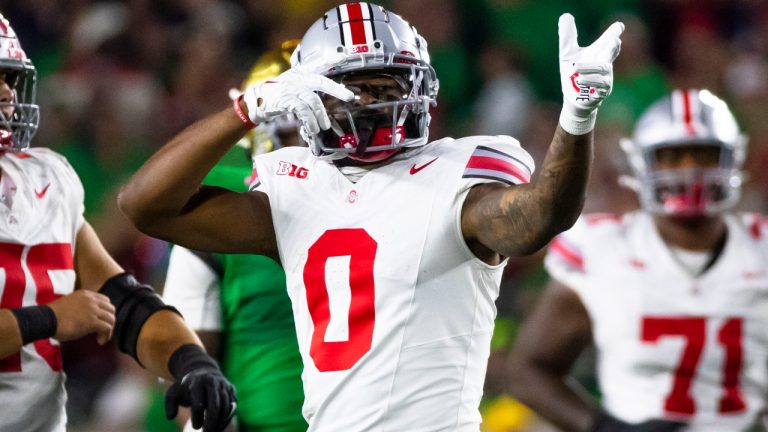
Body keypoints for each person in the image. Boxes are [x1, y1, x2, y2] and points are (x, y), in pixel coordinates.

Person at [118, 3, 623, 430]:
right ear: (309, 102)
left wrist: (576, 118)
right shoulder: (295, 188)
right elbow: (145, 206)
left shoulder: (454, 175)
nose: (374, 104)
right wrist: (247, 110)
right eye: (351, 90)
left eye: (387, 86)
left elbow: (539, 217)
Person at [0, 14, 235, 432]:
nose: (6, 93)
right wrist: (49, 319)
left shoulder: (45, 178)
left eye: (8, 79)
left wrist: (190, 361)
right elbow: (71, 312)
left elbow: (120, 301)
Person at [507, 89, 768, 431]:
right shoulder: (603, 247)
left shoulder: (760, 248)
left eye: (703, 155)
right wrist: (604, 426)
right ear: (641, 162)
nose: (688, 172)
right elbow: (528, 370)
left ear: (732, 158)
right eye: (672, 157)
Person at [162, 40, 307, 432]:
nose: (315, 145)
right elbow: (193, 370)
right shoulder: (226, 203)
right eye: (301, 128)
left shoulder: (383, 196)